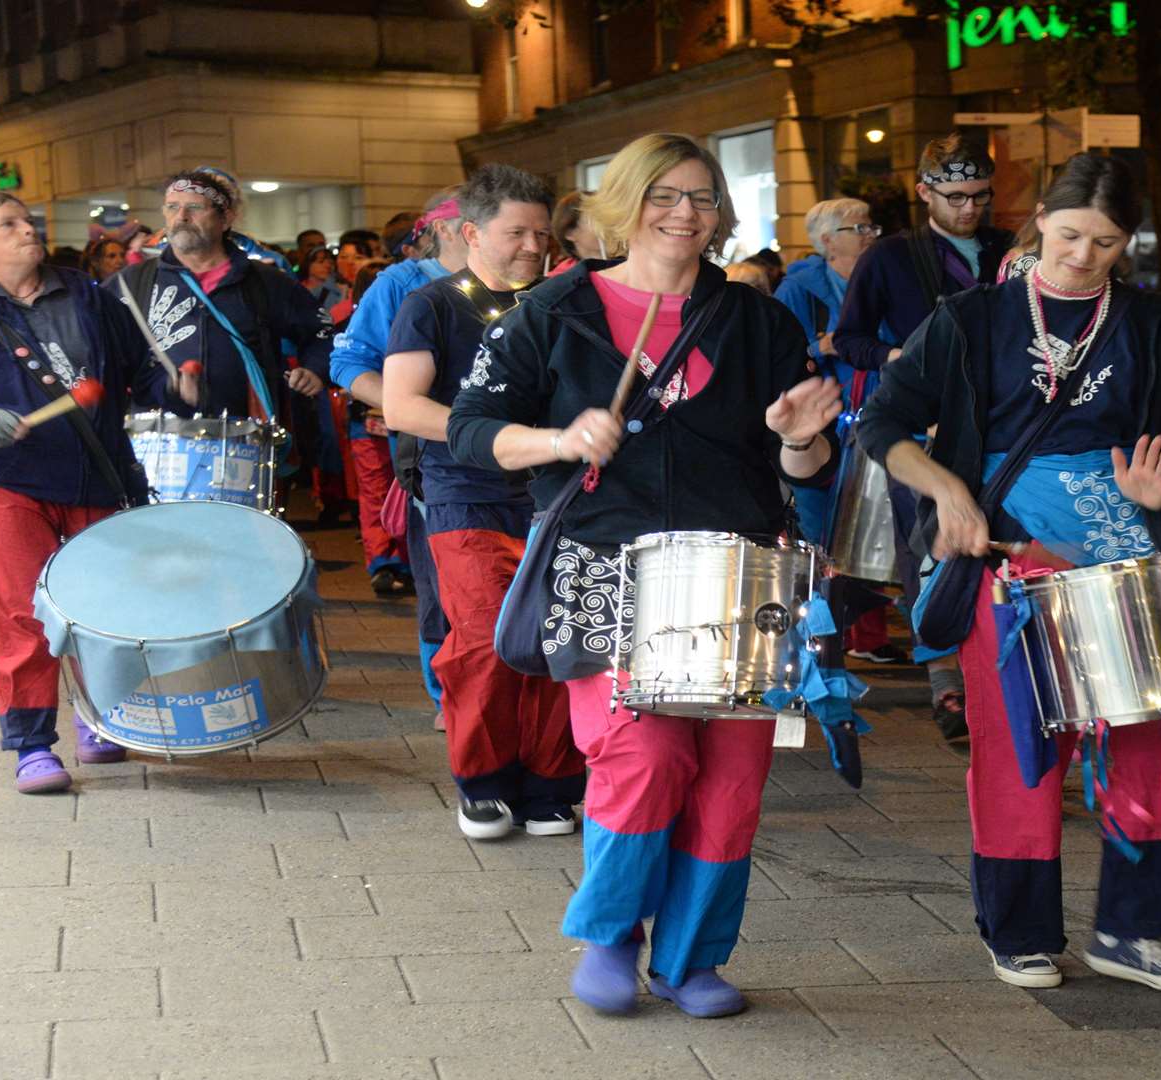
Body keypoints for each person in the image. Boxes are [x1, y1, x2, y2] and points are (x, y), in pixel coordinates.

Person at [447, 133, 841, 1020]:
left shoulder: (757, 320)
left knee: (735, 775)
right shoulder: (553, 312)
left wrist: (798, 436)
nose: (684, 213)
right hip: (605, 565)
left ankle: (694, 959)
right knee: (645, 753)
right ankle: (613, 935)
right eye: (664, 194)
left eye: (703, 198)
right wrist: (559, 439)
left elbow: (810, 467)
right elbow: (471, 427)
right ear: (626, 203)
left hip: (740, 575)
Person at [858, 153, 1161, 993]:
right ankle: (1019, 932)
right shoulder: (971, 318)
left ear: (1124, 242)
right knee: (1021, 749)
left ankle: (1135, 933)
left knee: (1154, 744)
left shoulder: (1157, 325)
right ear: (1040, 226)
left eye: (1104, 241)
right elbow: (883, 420)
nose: (1082, 255)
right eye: (1068, 235)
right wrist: (949, 490)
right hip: (1008, 557)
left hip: (1130, 556)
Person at [383, 164, 583, 839]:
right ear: (472, 232)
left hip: (556, 498)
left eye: (542, 233)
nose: (535, 245)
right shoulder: (431, 305)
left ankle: (551, 782)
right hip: (464, 494)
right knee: (484, 639)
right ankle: (485, 781)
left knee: (560, 638)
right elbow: (401, 405)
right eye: (517, 232)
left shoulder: (562, 305)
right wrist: (504, 437)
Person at [0, 190, 169, 793]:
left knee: (100, 610)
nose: (27, 231)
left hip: (94, 473)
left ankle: (98, 717)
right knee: (19, 615)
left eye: (28, 221)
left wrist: (175, 385)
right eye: (8, 225)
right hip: (5, 481)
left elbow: (137, 369)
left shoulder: (84, 292)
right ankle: (32, 746)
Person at [836, 133, 1013, 742]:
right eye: (957, 196)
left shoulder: (1011, 249)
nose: (970, 209)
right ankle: (946, 684)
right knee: (927, 549)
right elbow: (848, 338)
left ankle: (1006, 674)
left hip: (1001, 425)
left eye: (981, 196)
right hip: (921, 425)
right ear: (924, 192)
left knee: (1006, 547)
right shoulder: (887, 257)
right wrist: (903, 360)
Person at [329, 188, 468, 715]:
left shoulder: (522, 284)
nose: (529, 243)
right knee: (441, 580)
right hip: (431, 462)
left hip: (513, 461)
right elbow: (347, 363)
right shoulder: (401, 284)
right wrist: (405, 404)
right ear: (456, 229)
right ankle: (448, 691)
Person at [773, 197, 898, 662]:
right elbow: (780, 353)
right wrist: (819, 345)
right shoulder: (799, 289)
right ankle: (818, 642)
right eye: (859, 227)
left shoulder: (881, 281)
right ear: (827, 241)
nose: (870, 234)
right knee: (822, 534)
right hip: (820, 427)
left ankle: (869, 637)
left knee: (872, 525)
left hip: (877, 421)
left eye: (871, 225)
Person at [112, 169, 330, 422]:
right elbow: (101, 347)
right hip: (156, 444)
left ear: (225, 218)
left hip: (246, 440)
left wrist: (316, 369)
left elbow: (321, 333)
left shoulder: (265, 281)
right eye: (172, 207)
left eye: (194, 207)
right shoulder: (132, 282)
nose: (181, 217)